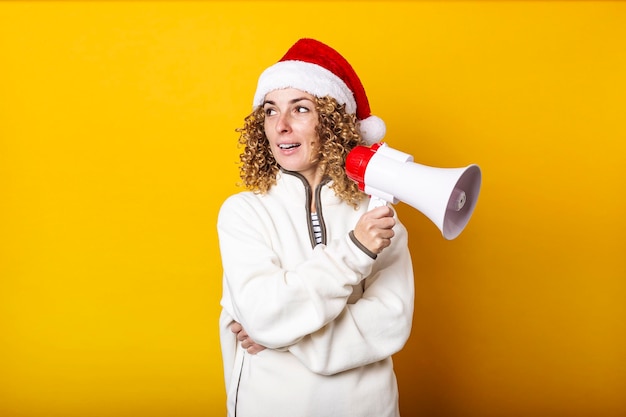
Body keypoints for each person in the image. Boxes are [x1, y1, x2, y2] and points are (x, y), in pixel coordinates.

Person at [217, 38, 415, 417]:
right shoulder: (242, 213)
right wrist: (355, 250)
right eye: (271, 111)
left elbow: (391, 323)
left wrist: (279, 335)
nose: (282, 125)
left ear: (333, 122)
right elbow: (263, 313)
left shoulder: (376, 216)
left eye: (301, 109)